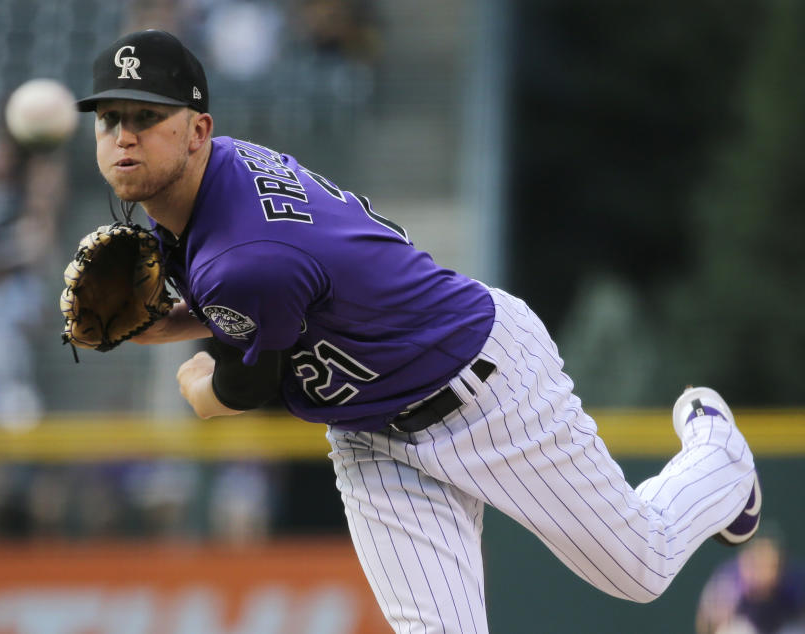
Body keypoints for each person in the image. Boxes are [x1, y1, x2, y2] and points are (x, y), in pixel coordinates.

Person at [74, 29, 762, 633]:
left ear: (197, 129)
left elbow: (247, 380)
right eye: (109, 120)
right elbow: (270, 300)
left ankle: (717, 454)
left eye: (147, 116)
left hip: (485, 391)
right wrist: (155, 326)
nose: (125, 135)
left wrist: (195, 384)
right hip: (371, 432)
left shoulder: (240, 257)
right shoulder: (220, 180)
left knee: (638, 568)